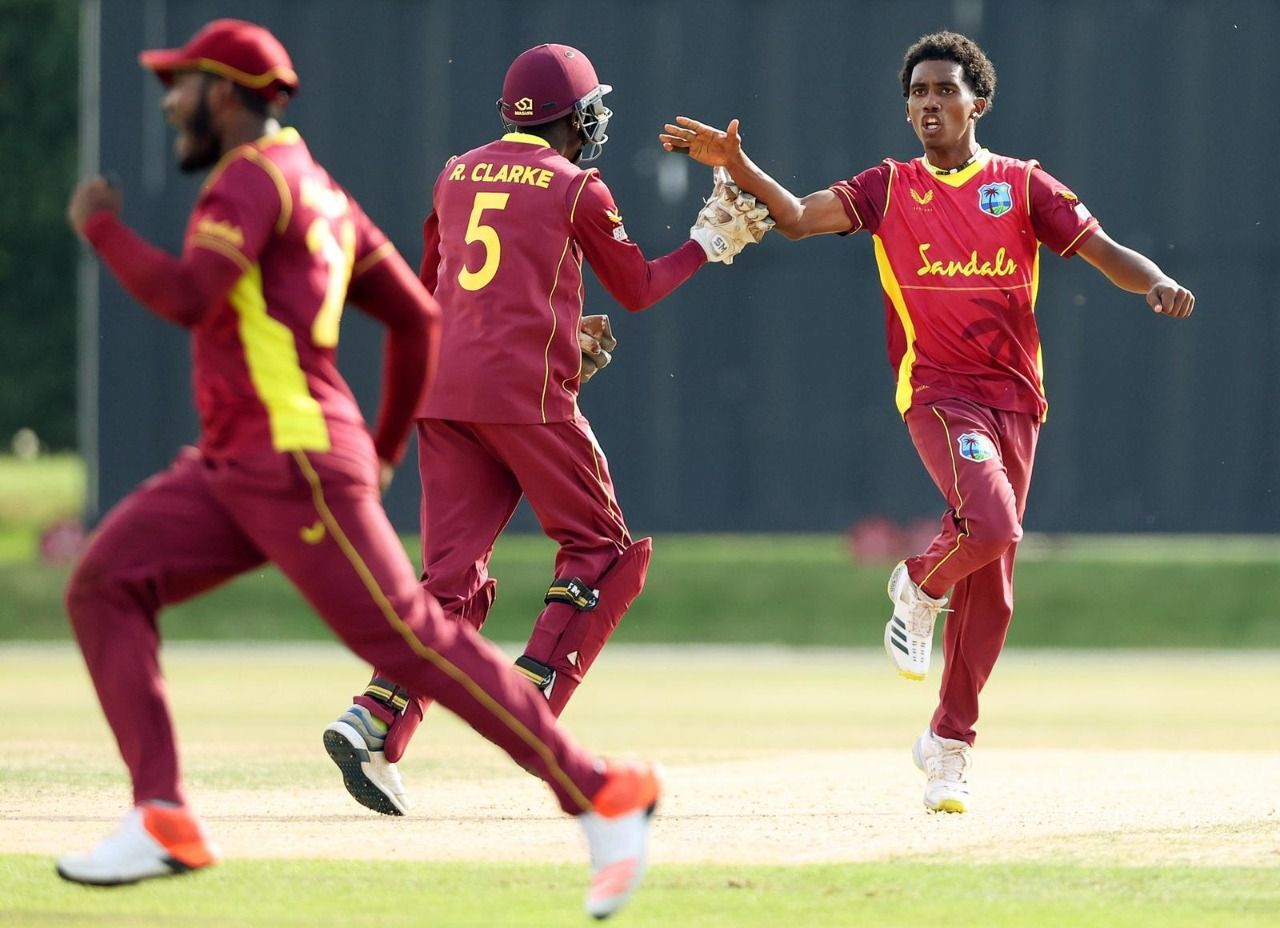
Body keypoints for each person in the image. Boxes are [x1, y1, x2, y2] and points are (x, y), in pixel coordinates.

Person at [59, 19, 659, 918]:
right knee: (103, 584)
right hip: (237, 462)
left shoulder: (252, 182)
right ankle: (161, 815)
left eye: (180, 86)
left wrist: (100, 228)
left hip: (291, 460)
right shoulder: (317, 187)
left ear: (226, 95)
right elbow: (420, 318)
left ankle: (601, 793)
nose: (169, 102)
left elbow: (190, 296)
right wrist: (377, 453)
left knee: (415, 636)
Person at [660, 31, 1194, 814]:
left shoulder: (1019, 184)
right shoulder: (889, 186)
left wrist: (1157, 281)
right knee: (992, 523)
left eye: (945, 91)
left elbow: (1104, 250)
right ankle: (914, 583)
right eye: (918, 94)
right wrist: (736, 167)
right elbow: (801, 220)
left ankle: (947, 748)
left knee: (996, 587)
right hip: (939, 392)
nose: (930, 105)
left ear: (978, 101)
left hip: (1017, 399)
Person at [322, 43, 767, 816]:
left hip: (445, 392)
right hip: (524, 399)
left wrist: (557, 331)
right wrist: (709, 244)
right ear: (579, 118)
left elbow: (441, 288)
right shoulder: (576, 187)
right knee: (602, 549)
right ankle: (529, 709)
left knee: (448, 581)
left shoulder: (457, 170)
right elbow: (636, 289)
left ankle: (371, 719)